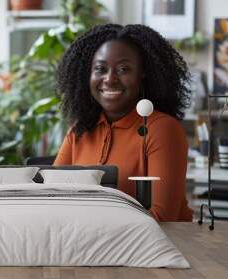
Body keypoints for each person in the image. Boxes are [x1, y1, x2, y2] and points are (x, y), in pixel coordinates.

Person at [53, 24, 193, 222]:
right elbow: (49, 198)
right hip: (87, 247)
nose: (110, 79)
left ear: (143, 74)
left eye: (123, 69)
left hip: (155, 249)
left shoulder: (162, 129)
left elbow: (162, 218)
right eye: (100, 69)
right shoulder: (80, 131)